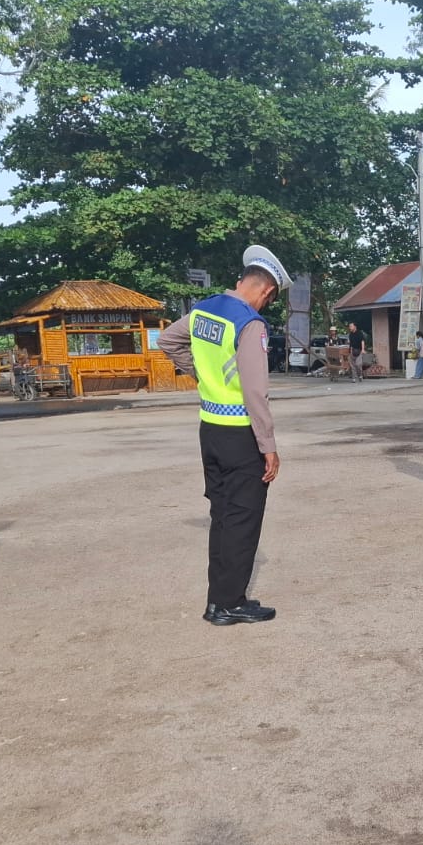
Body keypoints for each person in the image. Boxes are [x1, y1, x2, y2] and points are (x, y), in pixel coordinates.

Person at [158, 245, 289, 625]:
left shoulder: (203, 309)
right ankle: (230, 603)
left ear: (241, 280)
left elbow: (168, 340)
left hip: (210, 429)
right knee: (243, 519)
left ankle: (218, 600)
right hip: (240, 436)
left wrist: (200, 374)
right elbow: (254, 392)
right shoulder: (249, 323)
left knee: (222, 516)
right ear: (267, 292)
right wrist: (268, 446)